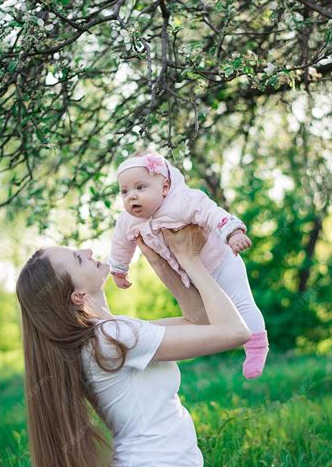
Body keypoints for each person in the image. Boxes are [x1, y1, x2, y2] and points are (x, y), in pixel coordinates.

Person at [15, 223, 332, 467]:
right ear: (76, 296)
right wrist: (191, 259)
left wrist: (161, 258)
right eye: (77, 257)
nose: (89, 252)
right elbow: (234, 332)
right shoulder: (112, 338)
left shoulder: (113, 333)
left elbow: (198, 320)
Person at [107, 150, 268, 379]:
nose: (131, 196)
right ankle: (220, 350)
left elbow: (212, 214)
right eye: (124, 191)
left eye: (140, 188)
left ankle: (256, 347)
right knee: (205, 319)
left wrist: (233, 234)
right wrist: (119, 269)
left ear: (164, 187)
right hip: (191, 276)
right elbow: (121, 244)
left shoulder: (183, 201)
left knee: (242, 302)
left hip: (221, 262)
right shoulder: (128, 221)